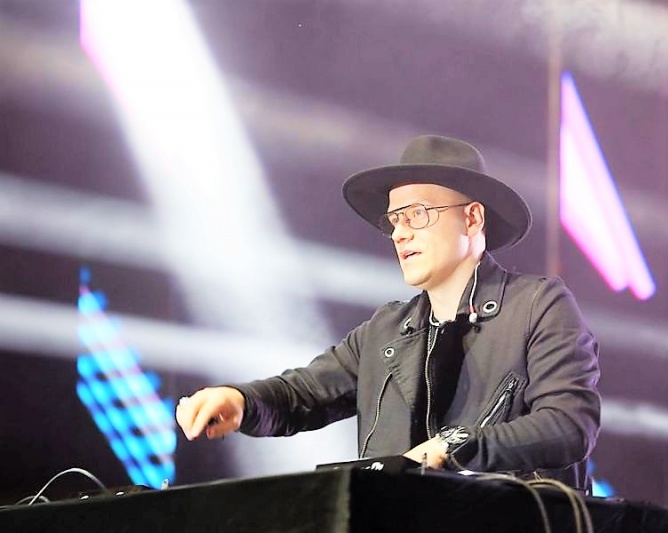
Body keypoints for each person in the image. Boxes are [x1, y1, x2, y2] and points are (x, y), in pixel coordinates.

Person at [175, 135, 601, 489]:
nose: (400, 233)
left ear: (472, 219)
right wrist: (241, 401)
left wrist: (453, 446)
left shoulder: (539, 305)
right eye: (395, 219)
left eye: (417, 214)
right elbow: (301, 394)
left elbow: (567, 425)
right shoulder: (385, 331)